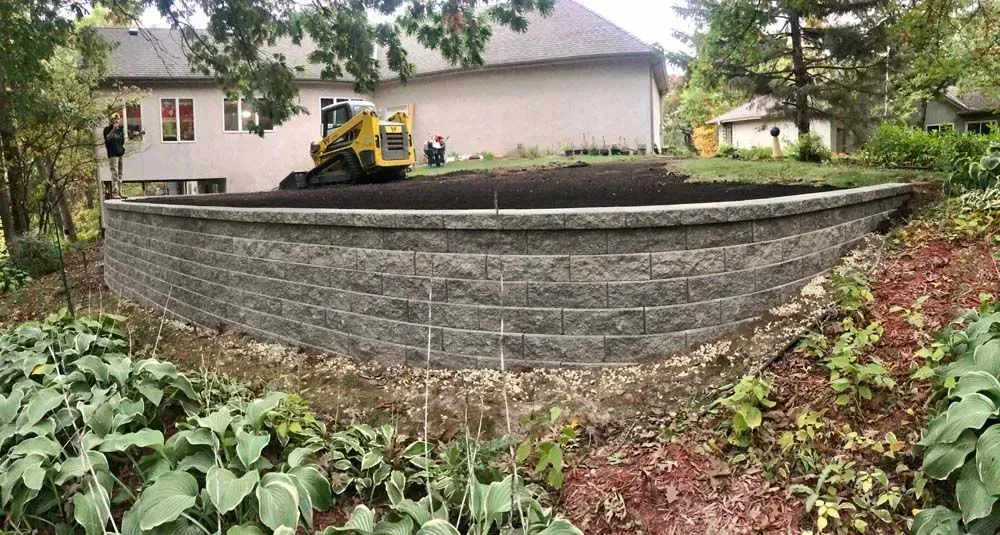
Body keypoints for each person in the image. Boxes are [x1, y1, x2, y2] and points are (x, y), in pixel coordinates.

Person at [103, 113, 126, 198]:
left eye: (118, 119)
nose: (116, 120)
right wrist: (113, 129)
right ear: (111, 120)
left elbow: (122, 142)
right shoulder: (107, 129)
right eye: (115, 119)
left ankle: (120, 192)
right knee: (115, 173)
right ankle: (115, 193)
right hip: (112, 154)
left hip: (120, 153)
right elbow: (108, 138)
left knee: (120, 173)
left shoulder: (120, 131)